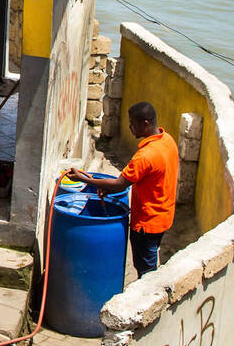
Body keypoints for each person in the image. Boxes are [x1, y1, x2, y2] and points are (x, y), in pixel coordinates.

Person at [65, 101, 179, 277]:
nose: (130, 127)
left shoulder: (145, 156)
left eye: (132, 123)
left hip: (146, 224)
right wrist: (106, 188)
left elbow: (120, 184)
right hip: (164, 217)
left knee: (146, 271)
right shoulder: (167, 140)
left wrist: (83, 179)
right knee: (150, 259)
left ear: (145, 124)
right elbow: (142, 179)